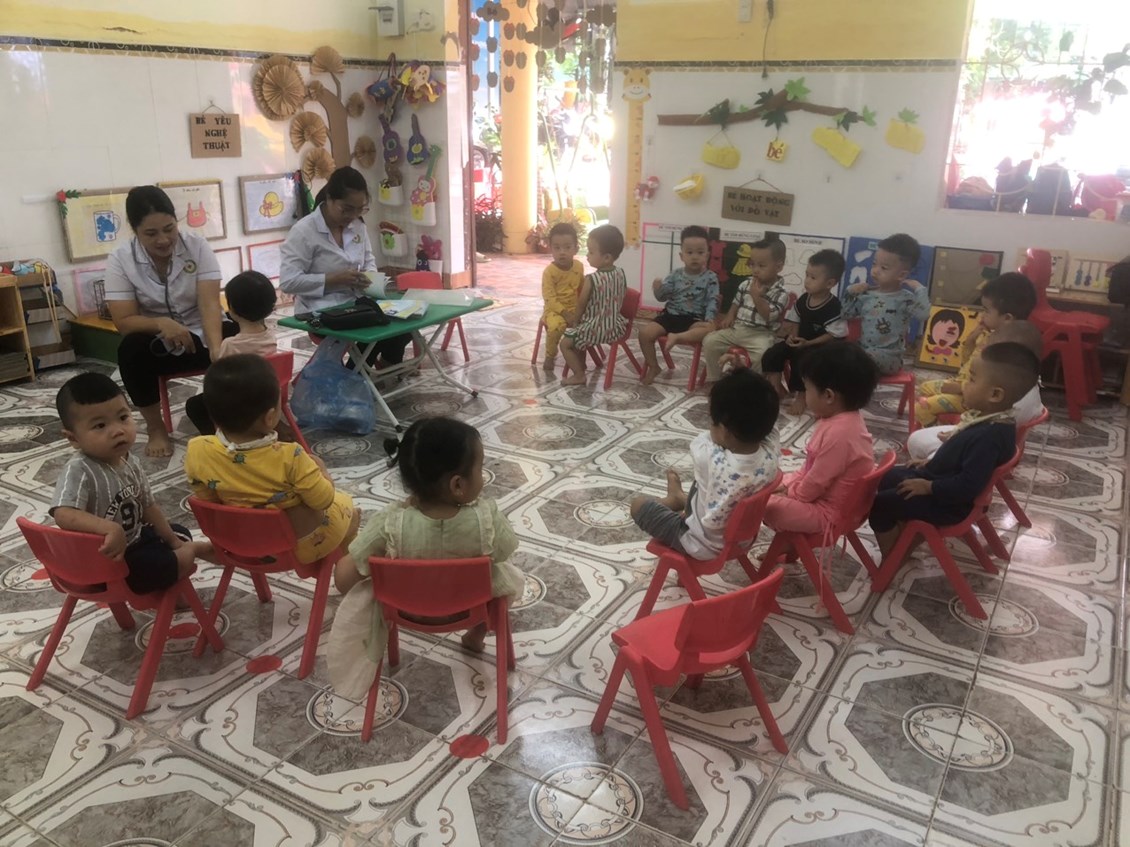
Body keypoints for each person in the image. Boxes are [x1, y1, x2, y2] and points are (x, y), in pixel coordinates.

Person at [327, 417, 525, 701]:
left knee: (371, 578)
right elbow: (507, 550)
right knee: (505, 577)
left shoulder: (389, 522)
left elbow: (343, 580)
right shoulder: (487, 519)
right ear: (458, 485)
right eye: (480, 468)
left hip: (406, 610)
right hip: (471, 608)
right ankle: (475, 635)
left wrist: (349, 544)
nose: (483, 476)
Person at [869, 341, 1040, 564]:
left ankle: (894, 557)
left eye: (971, 379)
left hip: (951, 504)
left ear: (995, 394)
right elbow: (959, 455)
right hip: (942, 481)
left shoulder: (989, 437)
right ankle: (905, 536)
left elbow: (968, 485)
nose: (964, 385)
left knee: (880, 504)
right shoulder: (988, 419)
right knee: (889, 476)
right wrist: (929, 464)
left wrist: (929, 487)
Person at [184, 354, 359, 566]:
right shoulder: (291, 456)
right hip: (298, 548)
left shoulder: (197, 450)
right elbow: (322, 501)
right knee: (350, 510)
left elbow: (209, 501)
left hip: (240, 544)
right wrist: (322, 470)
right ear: (270, 417)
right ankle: (347, 569)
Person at [103, 185, 235, 458]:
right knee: (130, 350)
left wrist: (215, 348)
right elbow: (123, 321)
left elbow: (210, 304)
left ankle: (225, 412)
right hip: (159, 344)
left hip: (201, 333)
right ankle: (156, 427)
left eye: (169, 229)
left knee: (238, 335)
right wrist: (162, 324)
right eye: (151, 233)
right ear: (135, 231)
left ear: (177, 222)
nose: (163, 240)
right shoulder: (121, 259)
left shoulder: (197, 246)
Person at [51, 372, 212, 593]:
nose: (117, 431)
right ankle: (191, 553)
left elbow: (147, 506)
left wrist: (174, 542)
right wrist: (109, 528)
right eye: (100, 426)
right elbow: (63, 514)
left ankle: (177, 570)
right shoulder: (79, 469)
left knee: (179, 532)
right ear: (73, 438)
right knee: (160, 564)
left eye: (123, 418)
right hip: (104, 559)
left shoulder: (130, 461)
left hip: (135, 540)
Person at [630, 368, 780, 560]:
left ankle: (678, 502)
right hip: (742, 539)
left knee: (638, 505)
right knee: (707, 483)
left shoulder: (712, 460)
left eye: (712, 422)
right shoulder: (771, 452)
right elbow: (768, 422)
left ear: (725, 431)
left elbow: (699, 442)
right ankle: (679, 499)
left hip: (701, 544)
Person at [279, 166, 410, 369]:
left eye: (360, 209)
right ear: (330, 199)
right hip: (321, 310)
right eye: (347, 209)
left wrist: (370, 278)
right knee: (374, 331)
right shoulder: (304, 231)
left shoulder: (357, 225)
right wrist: (332, 280)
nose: (353, 215)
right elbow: (288, 282)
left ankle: (382, 369)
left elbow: (368, 259)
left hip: (357, 303)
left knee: (404, 327)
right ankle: (356, 374)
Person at [763, 342, 877, 533]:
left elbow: (816, 482)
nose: (806, 395)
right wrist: (787, 484)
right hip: (826, 500)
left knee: (766, 507)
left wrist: (791, 493)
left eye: (807, 389)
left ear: (829, 396)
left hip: (829, 513)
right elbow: (810, 468)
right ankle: (789, 542)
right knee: (769, 484)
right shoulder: (843, 419)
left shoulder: (840, 434)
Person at [907, 320, 1044, 461]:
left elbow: (981, 440)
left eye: (972, 380)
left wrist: (934, 463)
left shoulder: (1010, 407)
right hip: (976, 434)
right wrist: (956, 432)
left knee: (929, 455)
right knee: (916, 439)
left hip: (981, 448)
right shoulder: (1020, 388)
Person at [914, 272, 1037, 427]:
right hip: (963, 385)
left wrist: (959, 388)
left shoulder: (1005, 350)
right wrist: (971, 341)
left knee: (921, 407)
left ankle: (942, 436)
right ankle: (945, 424)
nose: (981, 316)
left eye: (987, 311)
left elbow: (988, 389)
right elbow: (967, 364)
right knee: (924, 388)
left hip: (973, 401)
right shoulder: (989, 335)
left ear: (1007, 318)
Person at [184, 271, 279, 435]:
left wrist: (215, 352)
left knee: (194, 405)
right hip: (268, 398)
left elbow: (219, 373)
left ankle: (218, 439)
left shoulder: (231, 344)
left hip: (240, 403)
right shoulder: (271, 336)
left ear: (232, 310)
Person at [760, 248, 849, 415]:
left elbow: (833, 335)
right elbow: (794, 321)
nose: (807, 281)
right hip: (802, 342)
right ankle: (775, 388)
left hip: (822, 348)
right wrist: (792, 337)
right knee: (773, 353)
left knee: (801, 360)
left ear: (830, 283)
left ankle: (801, 396)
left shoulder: (834, 307)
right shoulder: (803, 299)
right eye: (807, 275)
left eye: (813, 278)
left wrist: (809, 343)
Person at [638, 225, 720, 385]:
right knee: (644, 334)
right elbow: (662, 297)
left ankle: (677, 337)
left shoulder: (711, 277)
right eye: (690, 252)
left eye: (700, 252)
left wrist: (710, 318)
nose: (695, 257)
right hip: (670, 316)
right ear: (682, 256)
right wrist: (657, 289)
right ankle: (654, 366)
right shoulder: (675, 275)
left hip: (693, 320)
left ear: (707, 255)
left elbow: (713, 300)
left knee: (709, 330)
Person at [701, 237, 790, 381]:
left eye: (761, 266)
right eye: (752, 264)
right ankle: (714, 379)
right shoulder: (746, 283)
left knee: (763, 354)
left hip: (761, 334)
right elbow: (736, 302)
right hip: (737, 329)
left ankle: (752, 383)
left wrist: (757, 297)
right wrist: (730, 315)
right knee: (710, 341)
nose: (755, 270)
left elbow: (769, 316)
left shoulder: (781, 292)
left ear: (778, 267)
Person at [841, 233, 930, 375]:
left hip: (889, 357)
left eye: (884, 268)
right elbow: (846, 314)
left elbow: (923, 314)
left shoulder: (905, 299)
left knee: (859, 361)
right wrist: (850, 292)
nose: (875, 271)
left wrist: (920, 289)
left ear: (901, 275)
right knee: (839, 353)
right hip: (863, 349)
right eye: (874, 264)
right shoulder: (867, 295)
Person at [560, 224, 629, 386]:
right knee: (579, 333)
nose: (587, 256)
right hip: (617, 327)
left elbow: (581, 305)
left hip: (597, 329)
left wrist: (575, 321)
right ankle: (581, 364)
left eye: (591, 252)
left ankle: (579, 374)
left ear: (607, 257)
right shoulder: (621, 273)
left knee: (565, 343)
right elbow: (622, 295)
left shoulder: (591, 279)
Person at [540, 222, 584, 372]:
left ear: (576, 249)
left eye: (567, 247)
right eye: (557, 248)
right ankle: (550, 355)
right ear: (550, 249)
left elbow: (582, 288)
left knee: (588, 324)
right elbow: (550, 299)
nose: (562, 252)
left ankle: (580, 356)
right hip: (555, 311)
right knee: (555, 327)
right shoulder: (549, 272)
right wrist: (565, 314)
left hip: (575, 308)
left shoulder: (578, 266)